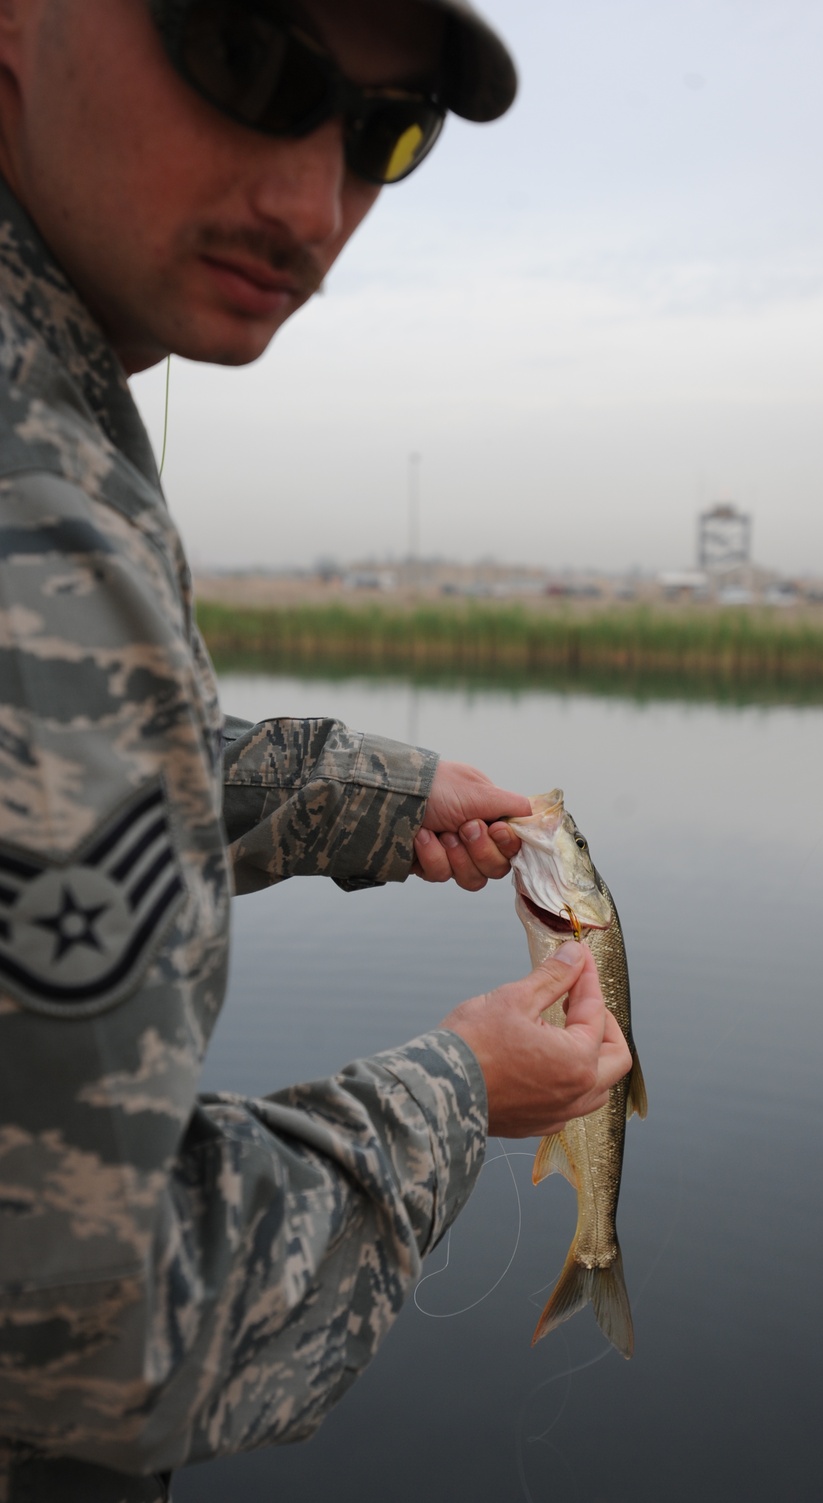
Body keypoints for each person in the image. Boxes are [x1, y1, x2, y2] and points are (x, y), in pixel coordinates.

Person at [0, 2, 632, 1500]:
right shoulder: (37, 514)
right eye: (245, 61)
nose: (313, 204)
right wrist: (464, 1090)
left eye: (380, 132)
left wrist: (368, 799)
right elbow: (95, 1343)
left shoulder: (54, 391)